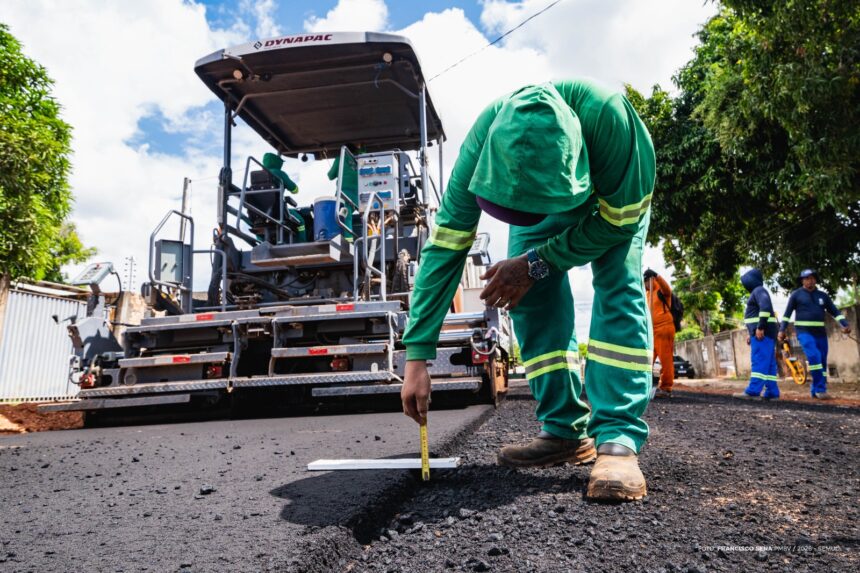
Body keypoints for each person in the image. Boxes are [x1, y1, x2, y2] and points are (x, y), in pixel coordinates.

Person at [400, 80, 655, 501]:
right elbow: (446, 245)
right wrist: (417, 355)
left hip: (611, 206)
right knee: (525, 295)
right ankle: (564, 431)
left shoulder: (610, 120)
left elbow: (619, 223)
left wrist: (539, 262)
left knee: (617, 285)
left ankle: (618, 440)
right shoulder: (484, 138)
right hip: (554, 197)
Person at [778, 269, 852, 399]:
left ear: (815, 280)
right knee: (814, 356)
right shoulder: (796, 295)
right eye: (806, 278)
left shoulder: (823, 296)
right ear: (802, 281)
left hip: (820, 334)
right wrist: (782, 329)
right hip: (804, 332)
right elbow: (787, 314)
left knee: (821, 361)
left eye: (812, 278)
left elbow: (835, 311)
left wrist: (845, 324)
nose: (809, 281)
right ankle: (820, 389)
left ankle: (815, 390)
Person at [733, 269, 780, 400]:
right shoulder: (759, 291)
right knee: (769, 364)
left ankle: (753, 391)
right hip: (765, 333)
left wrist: (760, 327)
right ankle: (772, 392)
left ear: (751, 280)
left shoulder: (758, 290)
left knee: (759, 360)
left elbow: (765, 308)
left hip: (762, 334)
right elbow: (758, 314)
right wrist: (751, 332)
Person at [643, 269, 675, 398]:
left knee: (665, 360)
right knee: (646, 360)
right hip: (651, 331)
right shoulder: (647, 294)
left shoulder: (660, 290)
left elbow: (668, 290)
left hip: (664, 328)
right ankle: (643, 386)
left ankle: (666, 388)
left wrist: (657, 275)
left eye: (645, 281)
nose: (644, 284)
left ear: (650, 280)